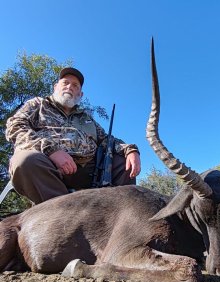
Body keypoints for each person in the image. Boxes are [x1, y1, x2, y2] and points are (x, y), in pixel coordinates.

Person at [5, 67, 141, 204]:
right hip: (47, 166)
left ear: (80, 94)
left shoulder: (87, 118)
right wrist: (51, 150)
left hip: (87, 170)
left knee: (124, 164)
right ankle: (62, 215)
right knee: (25, 161)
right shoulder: (38, 104)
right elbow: (15, 127)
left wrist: (130, 150)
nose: (69, 87)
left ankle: (117, 216)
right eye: (65, 83)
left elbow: (107, 140)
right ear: (55, 87)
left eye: (75, 85)